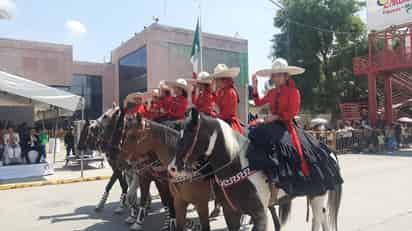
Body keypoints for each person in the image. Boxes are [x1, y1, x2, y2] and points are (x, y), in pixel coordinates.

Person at [247, 58, 343, 197]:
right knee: (253, 133)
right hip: (272, 124)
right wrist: (255, 86)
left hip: (286, 124)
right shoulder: (272, 92)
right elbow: (258, 102)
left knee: (280, 146)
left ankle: (281, 179)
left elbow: (292, 112)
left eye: (280, 75)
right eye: (274, 75)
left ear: (286, 76)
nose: (276, 77)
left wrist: (276, 117)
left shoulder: (293, 92)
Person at [208, 64, 243, 135]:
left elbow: (226, 115)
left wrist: (212, 115)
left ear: (223, 80)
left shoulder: (231, 92)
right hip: (221, 120)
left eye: (216, 79)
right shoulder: (221, 91)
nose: (215, 82)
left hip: (229, 123)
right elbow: (214, 102)